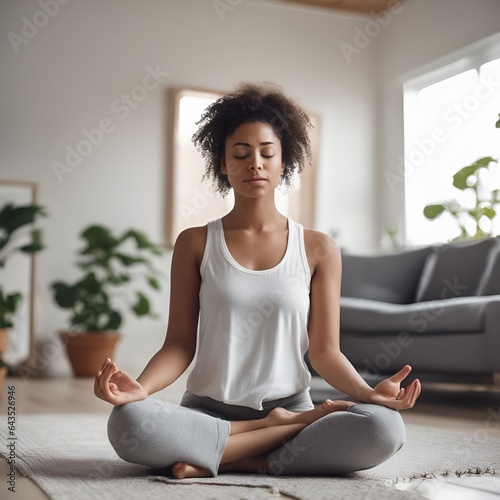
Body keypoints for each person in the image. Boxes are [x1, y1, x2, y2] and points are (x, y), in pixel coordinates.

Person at [94, 82, 421, 479]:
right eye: (240, 154)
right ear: (222, 163)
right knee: (127, 425)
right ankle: (270, 436)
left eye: (268, 153)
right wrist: (139, 390)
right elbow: (179, 344)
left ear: (285, 162)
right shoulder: (195, 242)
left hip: (291, 404)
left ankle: (241, 455)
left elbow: (325, 352)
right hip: (207, 413)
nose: (255, 164)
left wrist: (368, 395)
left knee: (384, 428)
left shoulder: (319, 248)